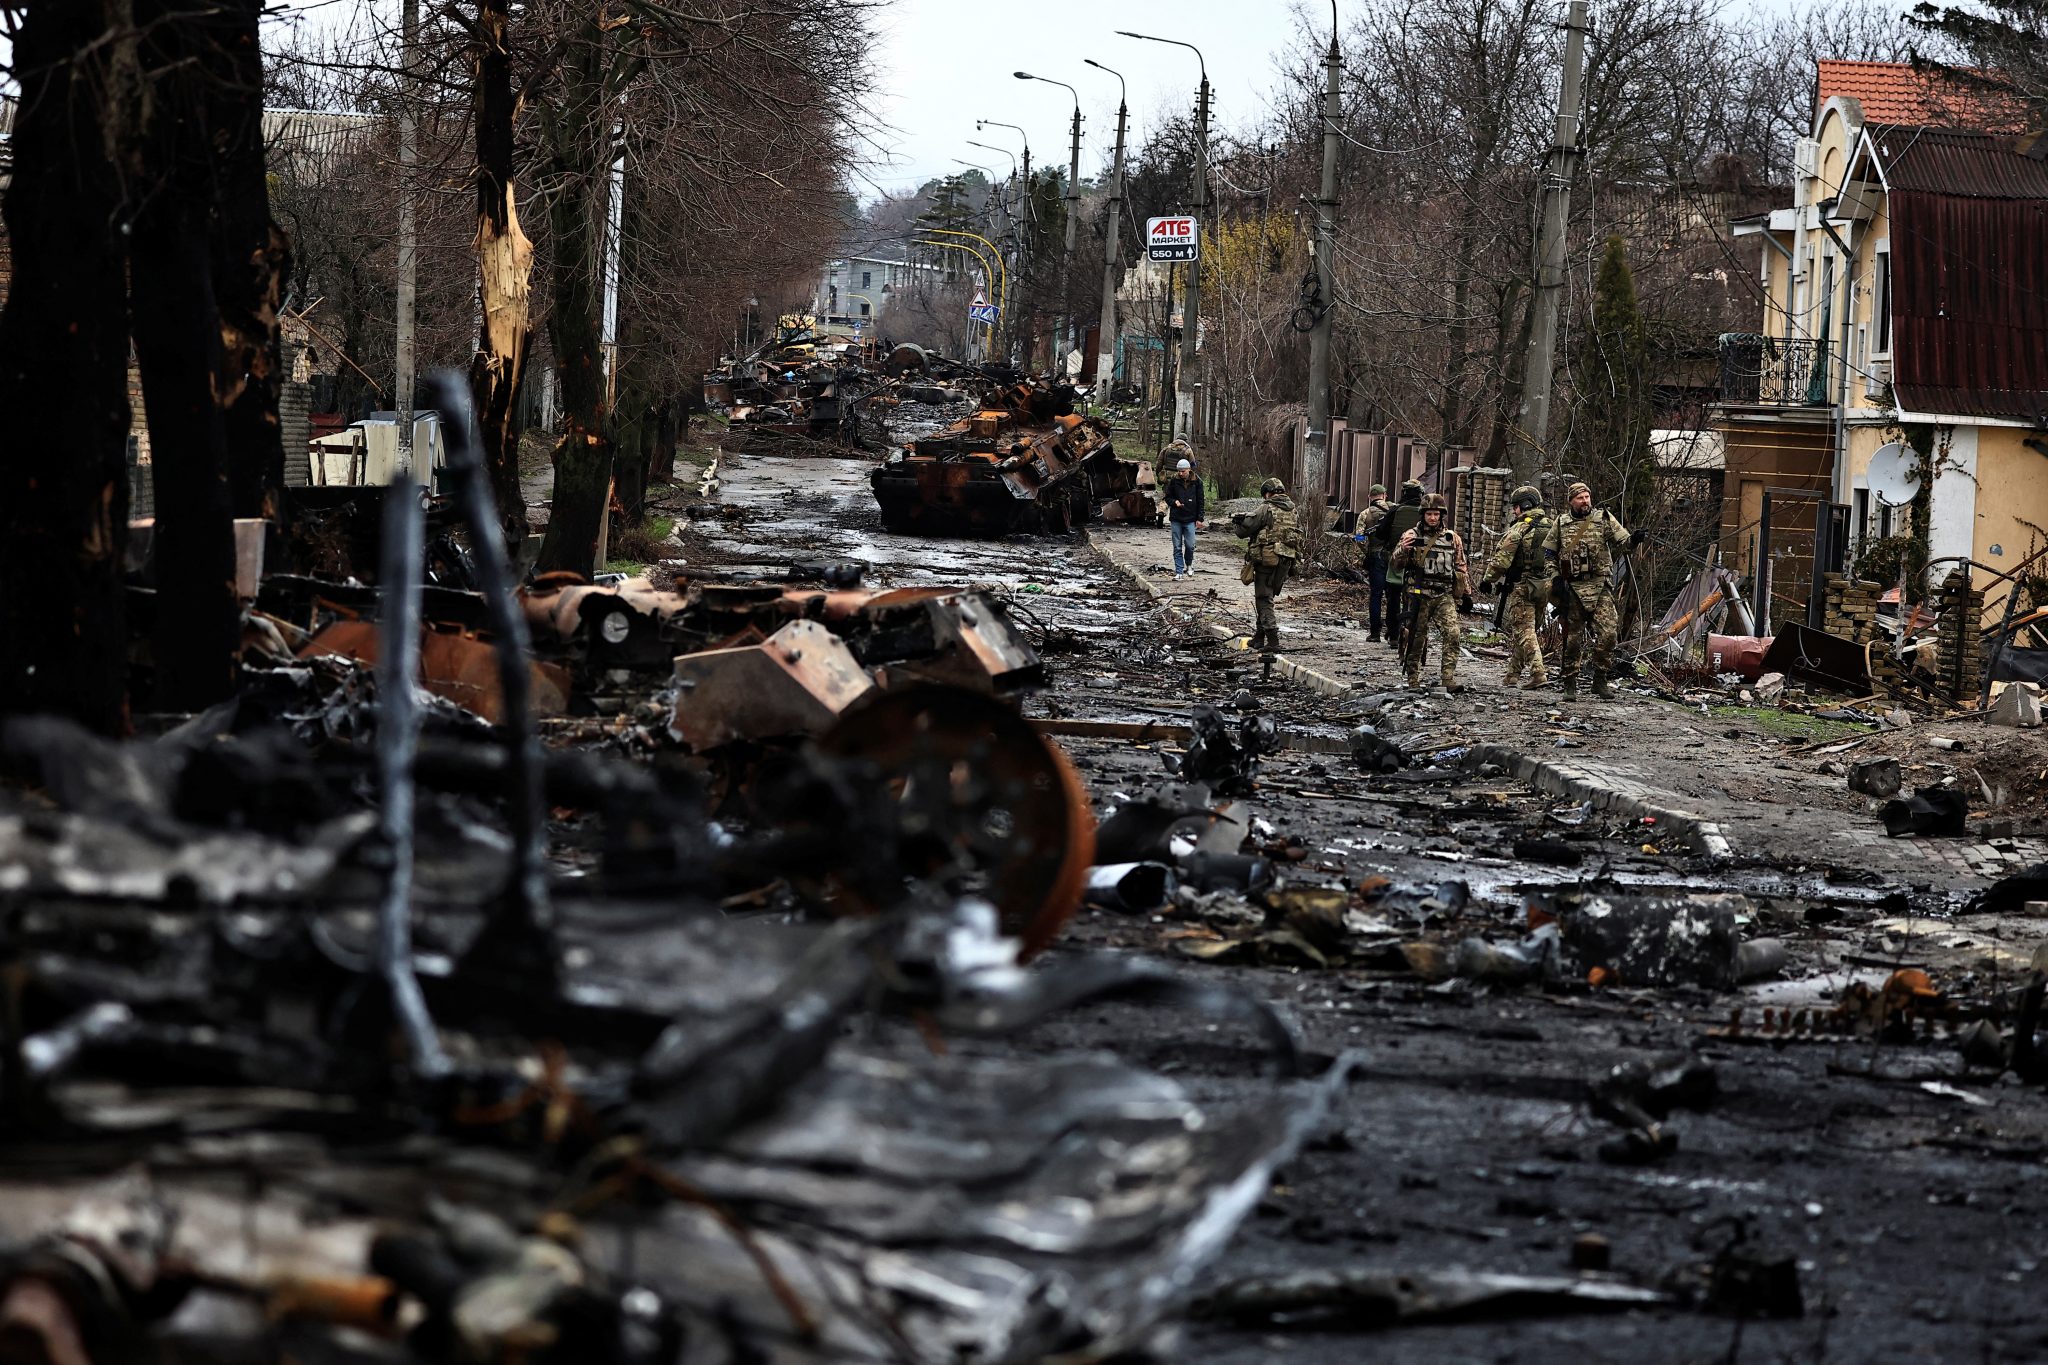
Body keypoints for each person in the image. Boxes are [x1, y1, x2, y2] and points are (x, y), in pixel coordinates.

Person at [1541, 480, 1636, 700]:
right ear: (1571, 501)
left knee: (1609, 634)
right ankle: (1570, 683)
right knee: (1572, 639)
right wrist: (1555, 578)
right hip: (1573, 588)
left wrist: (1635, 540)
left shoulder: (1603, 519)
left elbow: (1623, 542)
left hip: (1600, 585)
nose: (1585, 501)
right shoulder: (1561, 523)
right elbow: (1549, 555)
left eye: (1587, 497)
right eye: (1580, 498)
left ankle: (1600, 679)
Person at [1390, 492, 1473, 691]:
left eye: (1436, 514)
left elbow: (1461, 567)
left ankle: (1448, 678)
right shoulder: (1411, 535)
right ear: (1423, 515)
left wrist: (1466, 594)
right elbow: (1395, 564)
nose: (1433, 518)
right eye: (1429, 514)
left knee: (1453, 634)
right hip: (1418, 593)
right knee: (1416, 637)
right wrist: (1403, 549)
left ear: (1441, 515)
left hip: (1443, 594)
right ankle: (1413, 679)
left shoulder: (1452, 538)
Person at [1479, 485, 1554, 690]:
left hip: (1523, 585)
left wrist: (1488, 580)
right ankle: (1512, 674)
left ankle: (1538, 672)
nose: (1514, 511)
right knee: (1529, 631)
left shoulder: (1520, 528)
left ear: (1525, 505)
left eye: (1516, 507)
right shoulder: (1553, 525)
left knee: (1524, 631)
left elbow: (1501, 559)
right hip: (1545, 586)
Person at [1236, 476, 1300, 653]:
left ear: (1268, 493)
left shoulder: (1265, 508)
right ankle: (1259, 637)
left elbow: (1243, 531)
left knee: (1264, 599)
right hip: (1285, 560)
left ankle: (1273, 640)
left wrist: (1238, 523)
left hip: (1267, 559)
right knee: (1267, 595)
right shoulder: (1293, 509)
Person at [1375, 480, 1425, 652]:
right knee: (1416, 598)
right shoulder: (1426, 513)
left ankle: (1394, 634)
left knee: (1393, 597)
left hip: (1396, 560)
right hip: (1420, 563)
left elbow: (1381, 534)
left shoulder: (1395, 510)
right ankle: (1413, 632)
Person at [1351, 483, 1395, 641]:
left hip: (1376, 557)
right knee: (1393, 595)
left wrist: (1367, 552)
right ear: (1385, 496)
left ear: (1370, 497)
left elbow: (1359, 538)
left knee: (1376, 595)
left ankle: (1375, 633)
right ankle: (1393, 632)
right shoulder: (1394, 510)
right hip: (1393, 557)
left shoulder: (1365, 514)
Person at [1163, 451, 1205, 580]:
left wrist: (1200, 518)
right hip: (1176, 517)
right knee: (1177, 546)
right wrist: (1174, 502)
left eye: (1183, 471)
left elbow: (1201, 500)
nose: (1181, 474)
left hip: (1190, 518)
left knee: (1190, 545)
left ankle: (1189, 564)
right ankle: (1179, 571)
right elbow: (1167, 497)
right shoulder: (1174, 481)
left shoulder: (1197, 482)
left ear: (1188, 470)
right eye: (1179, 471)